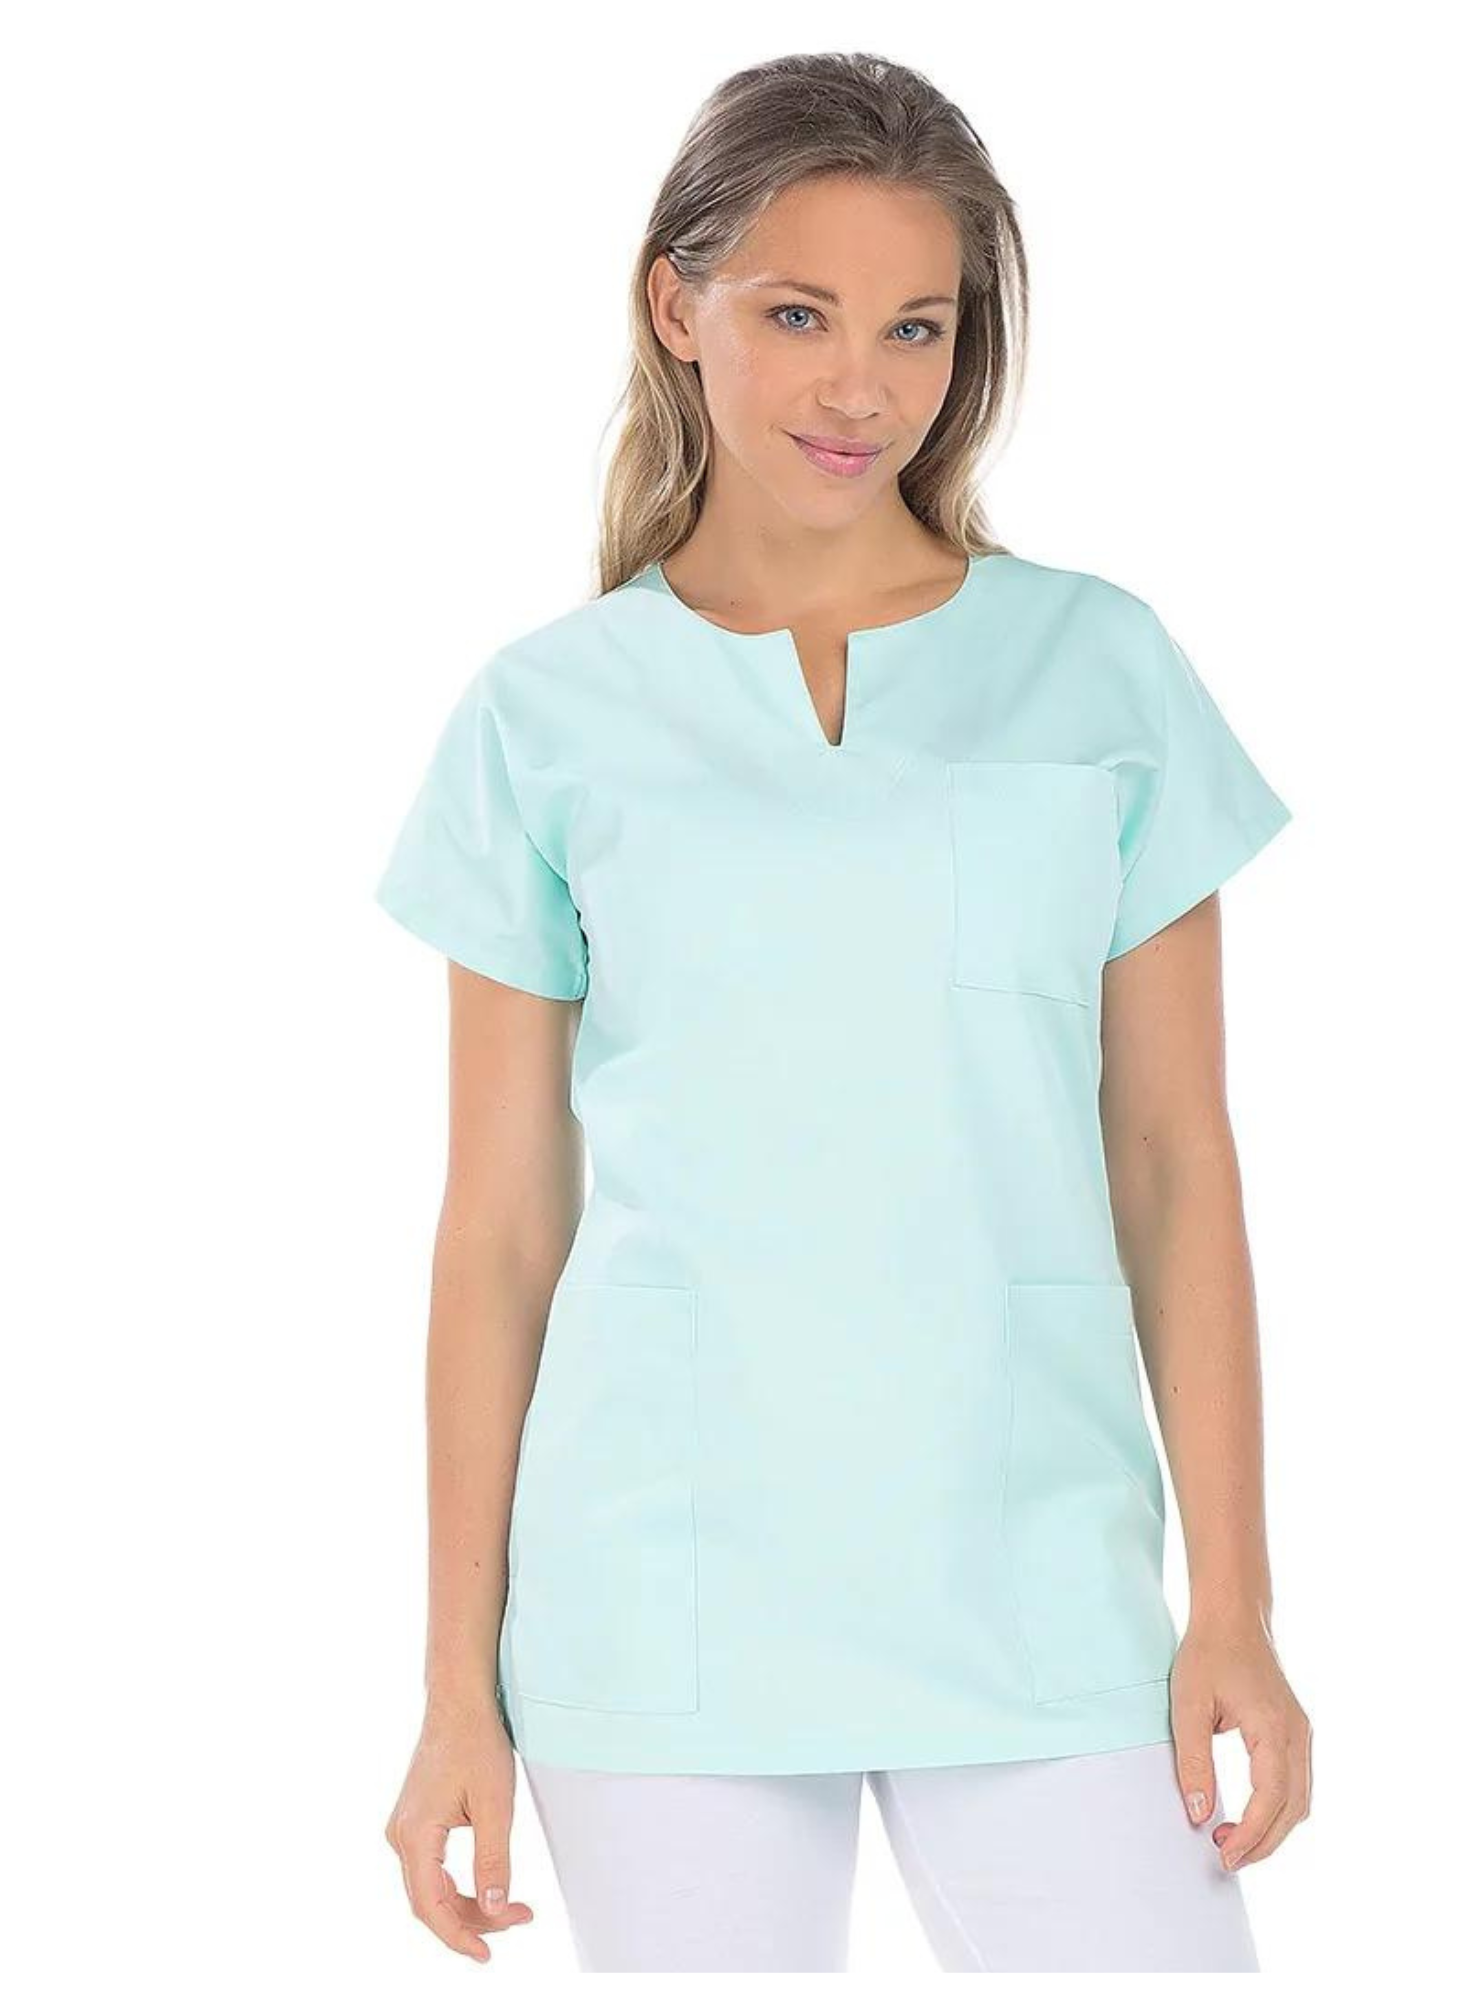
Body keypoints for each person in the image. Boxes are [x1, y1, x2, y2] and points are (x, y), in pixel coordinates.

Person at [375, 51, 1311, 1975]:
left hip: (1037, 1575)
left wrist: (1236, 1606)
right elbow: (501, 1231)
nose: (863, 387)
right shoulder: (545, 718)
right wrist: (456, 1689)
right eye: (798, 315)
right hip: (662, 1589)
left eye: (917, 326)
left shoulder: (1098, 670)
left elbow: (1173, 1162)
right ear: (677, 307)